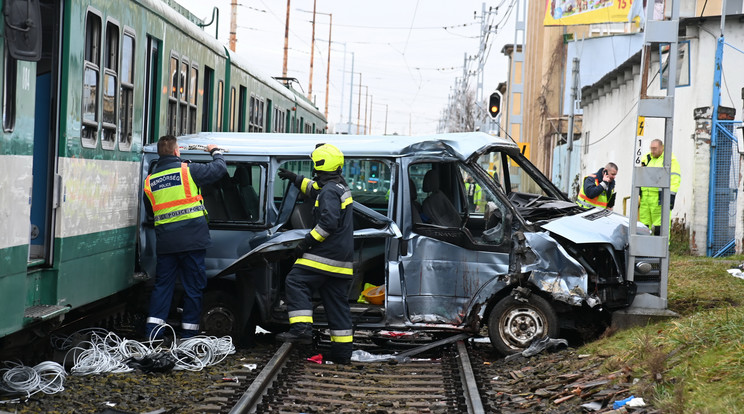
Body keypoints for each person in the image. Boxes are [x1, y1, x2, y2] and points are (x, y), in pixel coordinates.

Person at [276, 143, 354, 364]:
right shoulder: (339, 186)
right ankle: (342, 354)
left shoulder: (329, 191)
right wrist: (296, 178)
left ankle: (301, 329)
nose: (314, 169)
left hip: (325, 256)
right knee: (337, 305)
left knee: (295, 280)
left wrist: (306, 243)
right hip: (341, 260)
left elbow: (328, 223)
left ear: (321, 164)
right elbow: (315, 189)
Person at [143, 135, 226, 340]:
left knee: (162, 287)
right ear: (177, 151)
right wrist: (215, 151)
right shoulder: (188, 170)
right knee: (193, 287)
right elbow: (219, 170)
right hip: (192, 240)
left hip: (166, 243)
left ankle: (153, 334)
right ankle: (188, 334)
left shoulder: (149, 181)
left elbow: (151, 211)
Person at [639, 139, 681, 235]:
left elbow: (675, 179)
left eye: (655, 148)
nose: (652, 151)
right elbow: (640, 172)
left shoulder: (669, 160)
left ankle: (662, 249)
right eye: (651, 148)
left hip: (659, 199)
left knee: (660, 228)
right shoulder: (647, 158)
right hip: (645, 199)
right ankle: (644, 248)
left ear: (662, 147)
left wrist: (670, 197)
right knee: (643, 227)